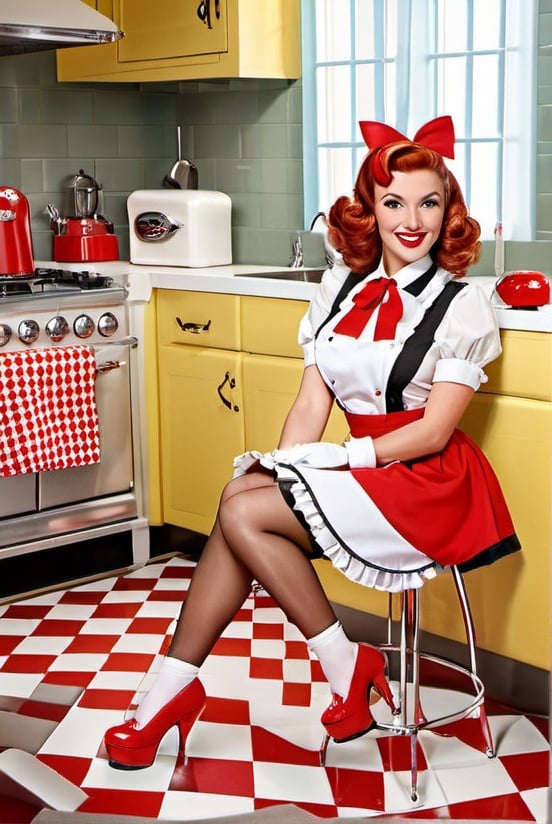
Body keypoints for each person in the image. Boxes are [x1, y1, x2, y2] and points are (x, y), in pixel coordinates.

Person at [104, 115, 520, 770]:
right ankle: (183, 690)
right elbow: (310, 402)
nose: (413, 220)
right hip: (357, 470)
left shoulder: (460, 305)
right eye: (394, 202)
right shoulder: (338, 288)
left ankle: (235, 682)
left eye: (429, 202)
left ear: (449, 210)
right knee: (243, 498)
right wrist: (284, 466)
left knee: (239, 511)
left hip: (422, 479)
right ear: (369, 209)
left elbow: (436, 430)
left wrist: (342, 457)